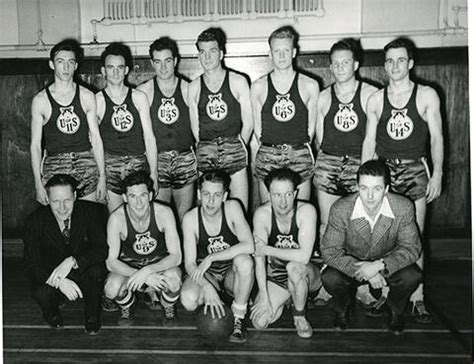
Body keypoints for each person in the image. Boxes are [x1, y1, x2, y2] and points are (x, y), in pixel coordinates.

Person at [361, 37, 444, 323]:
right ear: (384, 65)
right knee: (383, 237)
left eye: (400, 60)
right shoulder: (375, 99)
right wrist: (364, 181)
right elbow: (369, 140)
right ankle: (386, 292)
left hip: (414, 171)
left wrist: (438, 173)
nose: (395, 65)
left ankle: (417, 296)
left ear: (410, 63)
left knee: (414, 237)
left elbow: (437, 138)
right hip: (384, 172)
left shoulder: (426, 95)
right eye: (389, 60)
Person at [321, 160, 422, 334]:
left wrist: (379, 265)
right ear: (357, 187)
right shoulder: (341, 209)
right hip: (354, 265)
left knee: (412, 275)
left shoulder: (403, 207)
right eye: (364, 188)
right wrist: (364, 270)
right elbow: (329, 251)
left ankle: (395, 309)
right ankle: (343, 307)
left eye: (376, 189)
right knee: (330, 277)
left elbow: (412, 248)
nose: (369, 196)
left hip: (386, 264)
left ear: (387, 189)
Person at [314, 38, 379, 308]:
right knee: (329, 225)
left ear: (355, 64)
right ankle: (329, 283)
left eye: (345, 62)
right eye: (336, 63)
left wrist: (363, 172)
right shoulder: (323, 96)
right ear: (330, 66)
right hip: (329, 163)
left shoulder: (369, 93)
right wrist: (327, 163)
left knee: (360, 227)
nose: (341, 67)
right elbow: (319, 136)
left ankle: (362, 284)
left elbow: (373, 137)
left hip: (358, 164)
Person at [23, 174, 108, 335]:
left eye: (67, 200)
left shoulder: (91, 211)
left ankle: (92, 316)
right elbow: (31, 264)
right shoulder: (34, 220)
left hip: (80, 269)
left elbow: (101, 249)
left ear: (75, 196)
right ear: (48, 199)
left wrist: (73, 261)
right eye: (56, 201)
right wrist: (60, 281)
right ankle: (51, 312)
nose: (62, 207)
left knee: (96, 270)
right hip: (52, 273)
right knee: (41, 291)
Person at [180, 170, 254, 343]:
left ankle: (238, 317)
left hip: (231, 272)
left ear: (225, 196)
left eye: (217, 195)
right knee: (188, 300)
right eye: (206, 194)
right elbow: (190, 264)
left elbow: (249, 245)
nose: (211, 201)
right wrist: (206, 286)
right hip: (208, 274)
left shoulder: (233, 208)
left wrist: (211, 257)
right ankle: (223, 298)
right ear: (199, 194)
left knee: (245, 262)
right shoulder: (191, 219)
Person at [30, 39, 106, 205]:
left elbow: (96, 139)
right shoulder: (41, 100)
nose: (66, 67)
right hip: (55, 164)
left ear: (76, 66)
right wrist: (38, 183)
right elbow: (35, 145)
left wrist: (102, 177)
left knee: (89, 216)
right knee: (61, 221)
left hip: (86, 161)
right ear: (52, 64)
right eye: (60, 62)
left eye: (70, 62)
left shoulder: (87, 96)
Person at [104, 171, 182, 326]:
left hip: (157, 262)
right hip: (130, 265)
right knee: (111, 289)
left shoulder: (164, 213)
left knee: (174, 280)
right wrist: (139, 274)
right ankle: (128, 304)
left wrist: (148, 271)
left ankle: (167, 306)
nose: (139, 202)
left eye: (143, 195)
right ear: (125, 198)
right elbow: (111, 262)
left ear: (151, 195)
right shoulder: (116, 218)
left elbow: (176, 256)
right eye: (133, 196)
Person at [251, 168, 321, 339]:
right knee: (259, 322)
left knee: (294, 268)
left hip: (307, 273)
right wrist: (265, 297)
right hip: (277, 275)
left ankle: (300, 316)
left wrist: (268, 249)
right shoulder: (262, 214)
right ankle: (289, 297)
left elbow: (304, 257)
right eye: (277, 195)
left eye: (288, 194)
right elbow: (259, 260)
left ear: (295, 193)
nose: (283, 201)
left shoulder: (306, 211)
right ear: (268, 194)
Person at [252, 26, 319, 202]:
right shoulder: (258, 86)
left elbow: (311, 129)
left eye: (286, 50)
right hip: (268, 153)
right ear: (270, 54)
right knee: (267, 212)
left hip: (299, 152)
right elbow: (258, 129)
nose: (281, 56)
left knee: (301, 210)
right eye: (277, 51)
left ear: (294, 52)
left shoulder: (310, 85)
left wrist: (295, 149)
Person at [188, 28, 253, 210]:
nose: (207, 57)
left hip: (233, 147)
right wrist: (208, 148)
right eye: (202, 52)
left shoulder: (238, 81)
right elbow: (196, 129)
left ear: (222, 53)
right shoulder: (193, 87)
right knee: (208, 210)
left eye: (212, 51)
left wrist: (237, 146)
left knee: (239, 208)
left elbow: (249, 123)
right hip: (207, 151)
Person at [138, 37, 197, 222]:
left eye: (168, 61)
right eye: (158, 62)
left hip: (184, 157)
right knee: (161, 218)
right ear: (152, 63)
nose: (163, 68)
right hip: (158, 160)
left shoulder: (189, 89)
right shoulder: (144, 92)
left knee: (184, 217)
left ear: (176, 61)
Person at [97, 42, 158, 213]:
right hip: (111, 165)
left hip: (138, 163)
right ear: (103, 71)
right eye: (110, 67)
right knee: (116, 217)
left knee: (141, 216)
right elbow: (94, 142)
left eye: (120, 67)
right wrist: (101, 176)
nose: (115, 72)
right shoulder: (97, 100)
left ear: (126, 70)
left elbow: (149, 137)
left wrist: (154, 173)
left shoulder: (139, 97)